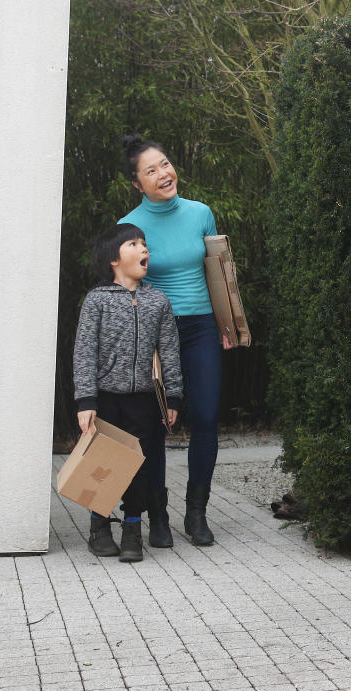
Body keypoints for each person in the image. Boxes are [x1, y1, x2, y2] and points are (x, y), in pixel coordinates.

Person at [119, 134, 232, 548]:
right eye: (151, 170)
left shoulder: (201, 213)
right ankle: (159, 514)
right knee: (154, 424)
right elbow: (127, 288)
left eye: (165, 164)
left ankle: (197, 511)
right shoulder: (128, 228)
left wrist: (227, 324)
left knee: (204, 417)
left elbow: (217, 274)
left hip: (202, 326)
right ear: (137, 183)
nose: (164, 174)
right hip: (154, 333)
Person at [73, 223, 182, 562]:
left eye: (144, 243)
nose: (142, 249)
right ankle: (99, 526)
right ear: (113, 260)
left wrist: (173, 397)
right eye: (133, 244)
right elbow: (84, 351)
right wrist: (85, 399)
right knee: (104, 465)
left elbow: (170, 350)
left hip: (145, 399)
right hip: (106, 396)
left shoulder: (157, 301)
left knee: (139, 465)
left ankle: (133, 527)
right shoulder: (97, 301)